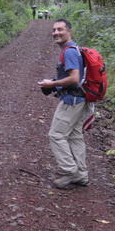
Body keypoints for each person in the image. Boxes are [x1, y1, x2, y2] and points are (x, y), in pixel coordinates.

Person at [37, 19, 93, 189]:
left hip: (71, 100)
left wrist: (51, 84)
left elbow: (75, 78)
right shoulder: (74, 49)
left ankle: (69, 171)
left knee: (56, 135)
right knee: (75, 136)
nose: (56, 33)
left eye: (60, 29)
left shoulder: (69, 52)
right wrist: (56, 83)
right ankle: (81, 175)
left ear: (69, 31)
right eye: (54, 30)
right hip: (80, 99)